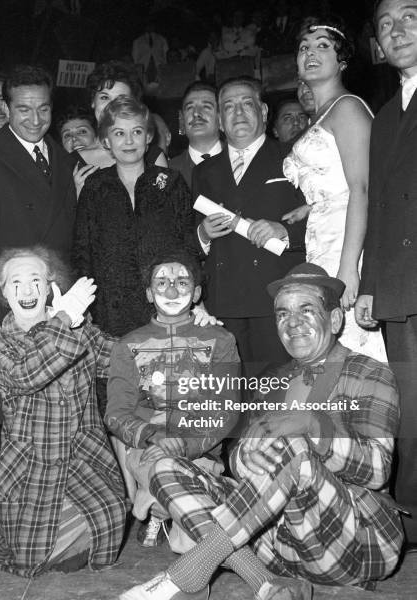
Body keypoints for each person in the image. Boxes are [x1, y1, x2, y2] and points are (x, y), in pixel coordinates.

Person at [120, 263, 403, 600]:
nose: (292, 322)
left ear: (336, 320)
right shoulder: (272, 379)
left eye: (306, 310)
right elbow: (241, 464)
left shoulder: (371, 374)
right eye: (282, 314)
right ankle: (266, 583)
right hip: (276, 545)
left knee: (294, 446)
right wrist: (245, 454)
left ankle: (185, 574)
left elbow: (377, 469)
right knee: (167, 467)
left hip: (352, 542)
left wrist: (312, 425)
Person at [0, 246, 126, 577]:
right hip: (29, 466)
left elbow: (123, 358)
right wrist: (63, 320)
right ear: (2, 291)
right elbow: (25, 375)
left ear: (51, 284)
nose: (27, 290)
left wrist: (180, 327)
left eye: (36, 280)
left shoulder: (78, 325)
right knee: (36, 549)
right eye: (15, 283)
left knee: (108, 517)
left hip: (82, 457)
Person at [0, 65, 77, 465]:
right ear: (6, 108)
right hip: (12, 303)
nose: (35, 120)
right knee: (15, 412)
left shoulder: (62, 156)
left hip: (58, 301)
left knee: (62, 407)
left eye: (43, 109)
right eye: (24, 110)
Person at [106, 251, 240, 549]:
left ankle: (156, 506)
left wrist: (187, 444)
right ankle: (166, 505)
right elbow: (116, 413)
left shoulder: (221, 341)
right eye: (161, 282)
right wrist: (155, 437)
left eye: (181, 282)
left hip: (199, 452)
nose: (170, 290)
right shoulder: (128, 345)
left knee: (189, 544)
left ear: (197, 292)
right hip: (147, 451)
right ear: (149, 294)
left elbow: (226, 409)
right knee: (190, 520)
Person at [283, 17, 387, 363]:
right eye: (304, 48)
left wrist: (349, 269)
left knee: (357, 349)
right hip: (321, 241)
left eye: (323, 46)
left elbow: (363, 188)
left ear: (342, 60)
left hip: (347, 246)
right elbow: (337, 183)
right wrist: (311, 207)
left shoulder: (348, 108)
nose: (310, 53)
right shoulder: (321, 113)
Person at [356, 0, 417, 545]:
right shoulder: (388, 112)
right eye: (385, 24)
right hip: (400, 287)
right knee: (412, 406)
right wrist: (371, 284)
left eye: (410, 15)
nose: (396, 30)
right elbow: (376, 206)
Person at [195, 76, 305, 376]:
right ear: (219, 119)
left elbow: (324, 216)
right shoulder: (204, 171)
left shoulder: (292, 157)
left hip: (277, 298)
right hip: (224, 303)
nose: (238, 112)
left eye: (247, 103)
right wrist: (203, 233)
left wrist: (285, 232)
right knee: (232, 400)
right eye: (228, 106)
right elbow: (187, 237)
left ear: (264, 111)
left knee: (279, 394)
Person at [72, 96, 197, 339]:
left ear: (148, 136)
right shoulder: (95, 187)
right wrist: (84, 309)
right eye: (119, 133)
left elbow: (187, 245)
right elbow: (81, 253)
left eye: (137, 131)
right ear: (106, 140)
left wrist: (191, 298)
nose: (129, 141)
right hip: (109, 314)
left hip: (167, 306)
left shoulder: (171, 183)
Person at [74, 61, 167, 196]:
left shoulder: (152, 157)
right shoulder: (73, 162)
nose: (111, 106)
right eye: (104, 97)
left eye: (120, 99)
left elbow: (166, 211)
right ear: (92, 102)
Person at [170, 81, 223, 190]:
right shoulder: (168, 172)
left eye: (206, 107)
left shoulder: (241, 163)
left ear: (221, 117)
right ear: (181, 119)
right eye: (190, 108)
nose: (196, 113)